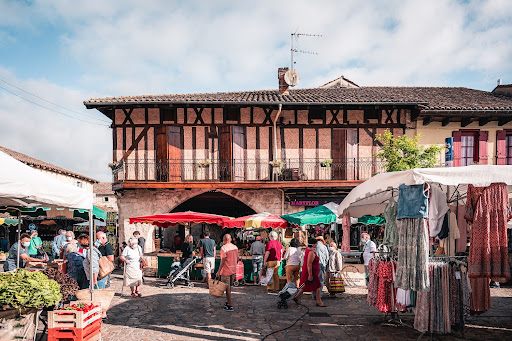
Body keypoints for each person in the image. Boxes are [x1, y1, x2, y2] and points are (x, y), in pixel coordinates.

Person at [294, 238, 325, 307]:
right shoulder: (311, 252)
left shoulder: (308, 250)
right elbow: (309, 264)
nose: (317, 245)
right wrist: (310, 275)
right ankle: (319, 301)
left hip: (311, 271)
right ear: (313, 245)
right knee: (318, 285)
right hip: (311, 272)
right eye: (316, 244)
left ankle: (296, 297)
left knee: (306, 284)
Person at [216, 234, 238, 312]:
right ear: (230, 239)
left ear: (224, 240)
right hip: (233, 270)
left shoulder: (224, 248)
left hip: (226, 270)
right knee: (229, 287)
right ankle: (228, 301)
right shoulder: (235, 247)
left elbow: (223, 260)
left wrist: (218, 271)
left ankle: (230, 304)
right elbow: (237, 258)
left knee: (227, 288)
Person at [313, 236, 329, 300]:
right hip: (321, 265)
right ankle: (319, 295)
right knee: (320, 281)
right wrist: (325, 265)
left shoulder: (314, 247)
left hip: (314, 266)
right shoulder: (324, 247)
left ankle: (314, 295)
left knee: (314, 281)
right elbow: (327, 257)